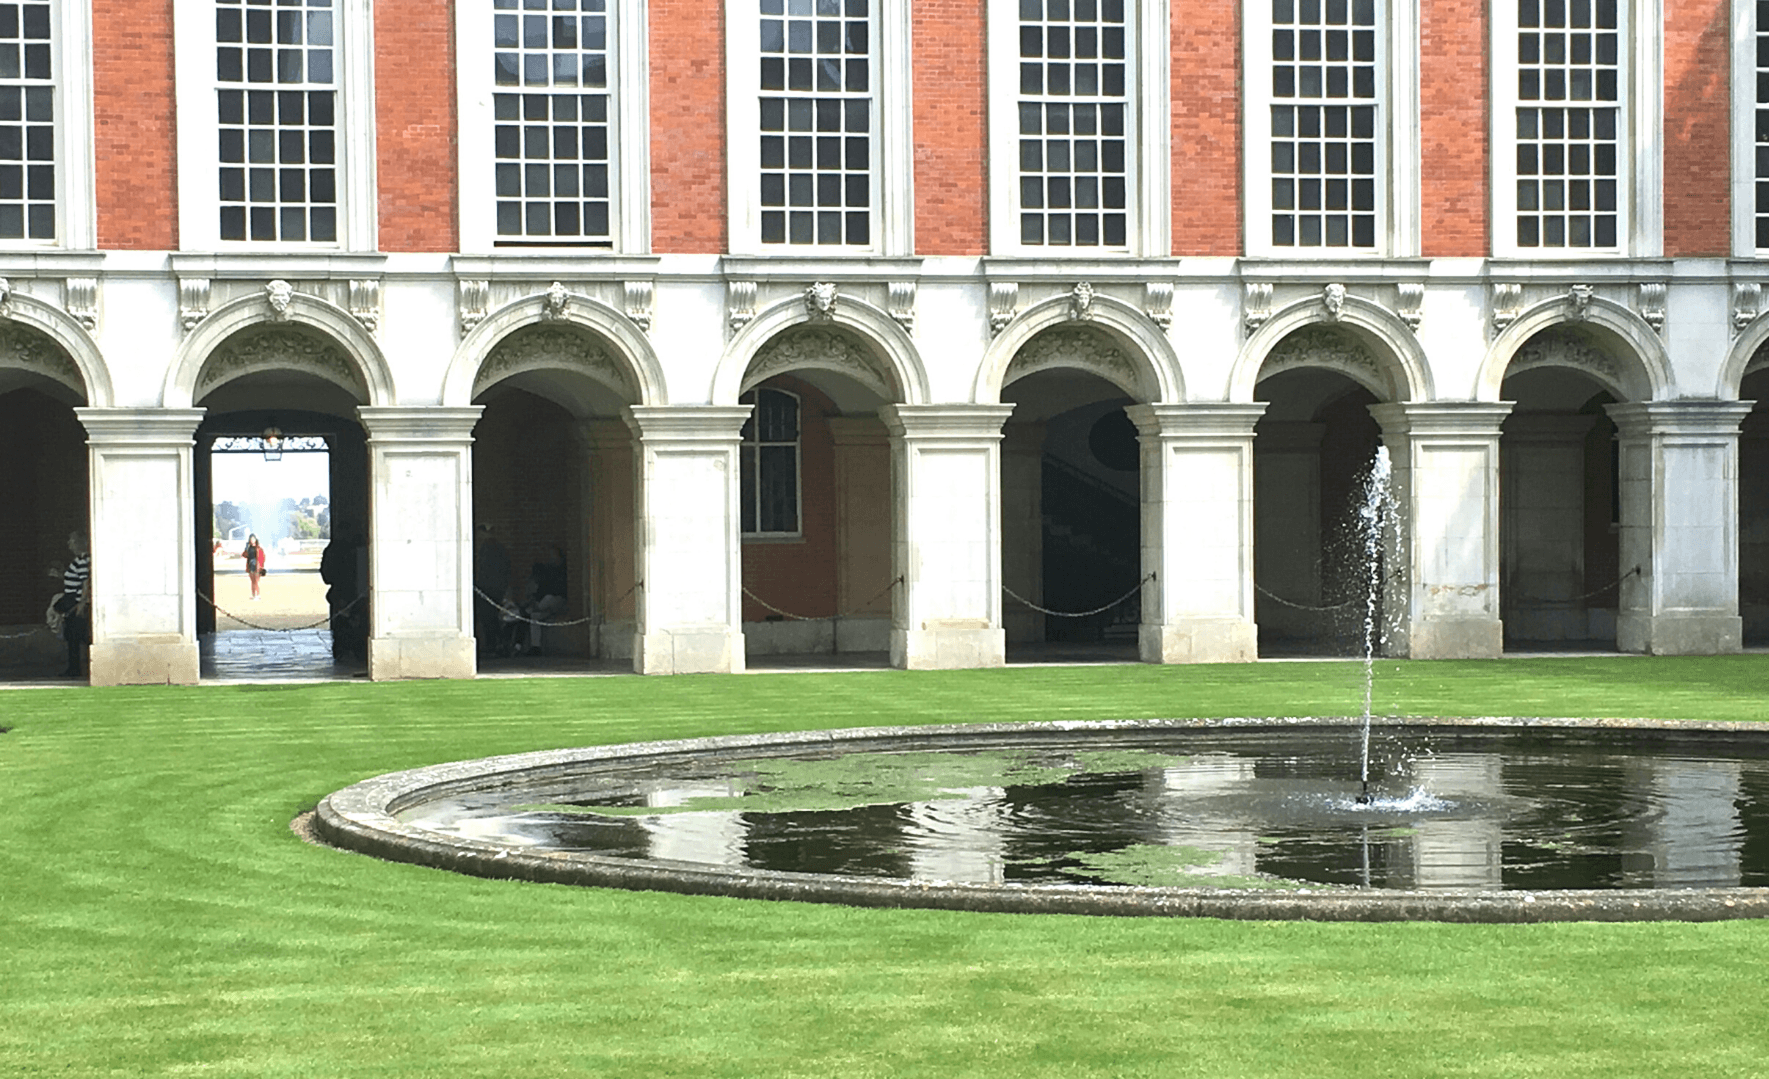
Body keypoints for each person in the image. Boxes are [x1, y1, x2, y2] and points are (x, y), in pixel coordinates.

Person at [521, 545, 568, 655]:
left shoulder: (564, 570)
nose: (551, 558)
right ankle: (535, 647)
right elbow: (543, 589)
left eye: (554, 555)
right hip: (546, 606)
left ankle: (532, 609)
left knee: (548, 598)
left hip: (559, 601)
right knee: (534, 617)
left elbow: (559, 590)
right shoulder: (548, 571)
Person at [472, 524, 510, 654]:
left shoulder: (490, 548)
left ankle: (496, 645)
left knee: (490, 618)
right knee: (489, 618)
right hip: (491, 588)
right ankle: (496, 644)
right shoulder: (496, 547)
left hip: (489, 588)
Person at [57, 531, 91, 678]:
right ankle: (73, 667)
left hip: (76, 601)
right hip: (74, 599)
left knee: (75, 636)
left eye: (72, 541)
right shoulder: (79, 560)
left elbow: (85, 582)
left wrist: (81, 603)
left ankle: (74, 668)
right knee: (73, 636)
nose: (69, 544)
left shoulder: (83, 561)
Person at [243, 534, 265, 599]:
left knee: (256, 580)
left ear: (255, 540)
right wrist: (246, 548)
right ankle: (253, 594)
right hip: (250, 565)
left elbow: (262, 558)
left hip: (257, 565)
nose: (252, 540)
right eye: (251, 539)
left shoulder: (258, 548)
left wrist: (261, 567)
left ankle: (257, 594)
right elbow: (244, 555)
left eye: (253, 539)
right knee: (252, 581)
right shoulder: (249, 548)